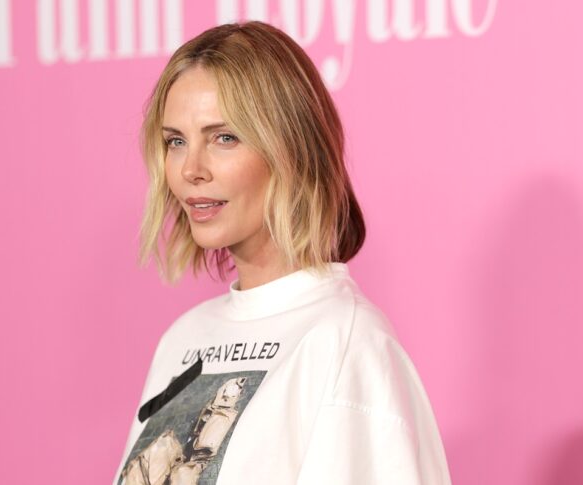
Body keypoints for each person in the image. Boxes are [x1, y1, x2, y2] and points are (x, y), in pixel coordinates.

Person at [113, 20, 452, 485]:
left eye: (223, 137)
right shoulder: (182, 339)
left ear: (291, 149)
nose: (191, 169)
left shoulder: (347, 343)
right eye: (176, 141)